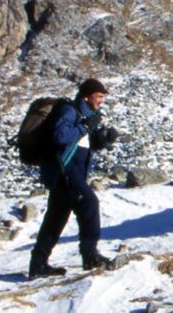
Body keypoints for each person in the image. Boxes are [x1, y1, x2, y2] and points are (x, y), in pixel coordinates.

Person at [29, 78, 120, 279]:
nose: (100, 101)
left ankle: (38, 264)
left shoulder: (85, 115)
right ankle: (90, 255)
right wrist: (85, 127)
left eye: (103, 97)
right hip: (65, 171)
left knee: (56, 218)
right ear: (86, 96)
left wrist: (104, 138)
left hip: (71, 172)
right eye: (98, 97)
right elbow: (60, 136)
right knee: (89, 203)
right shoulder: (69, 111)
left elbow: (84, 144)